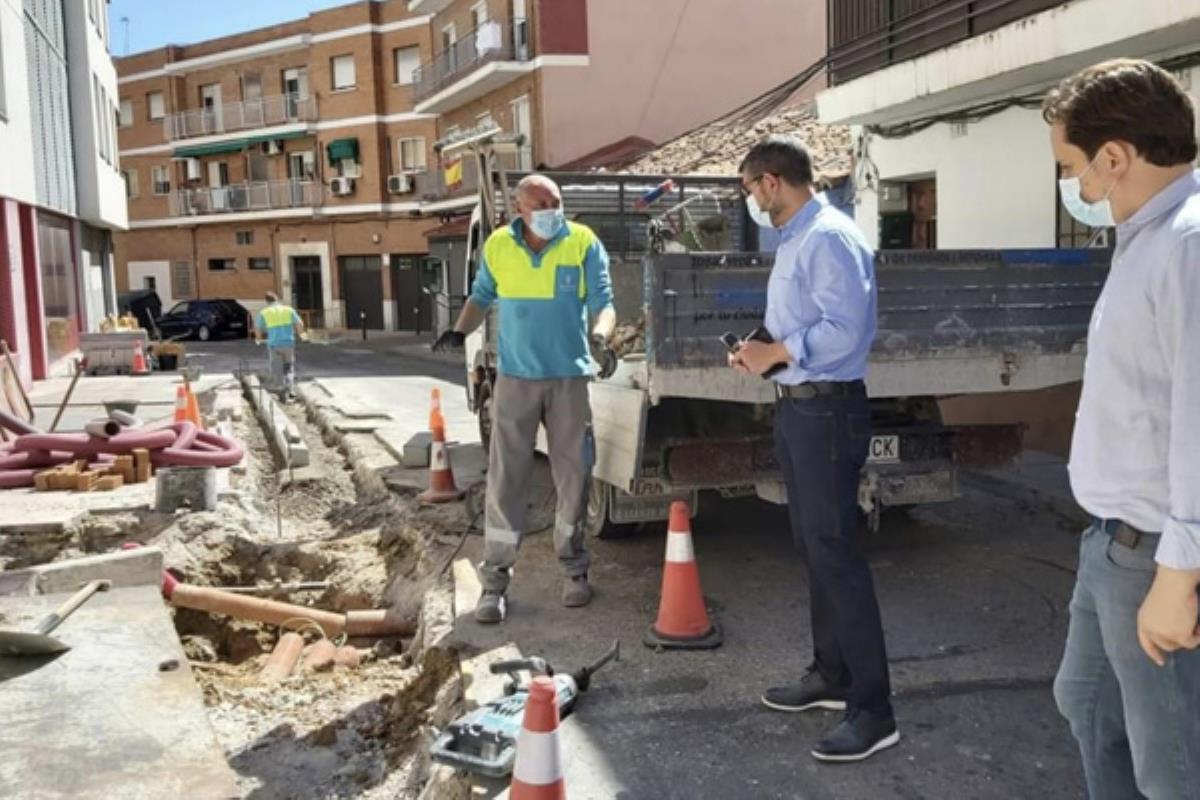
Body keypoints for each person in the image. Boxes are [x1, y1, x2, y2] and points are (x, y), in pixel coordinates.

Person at [1043, 59, 1200, 799]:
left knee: (1171, 768)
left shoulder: (1188, 245)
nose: (1076, 188)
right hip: (1112, 542)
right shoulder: (1149, 237)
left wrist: (1180, 574)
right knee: (1086, 704)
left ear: (1115, 157)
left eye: (1072, 168)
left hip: (1157, 559)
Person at [730, 135, 898, 762]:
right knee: (814, 546)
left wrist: (778, 352)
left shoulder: (827, 235)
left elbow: (845, 328)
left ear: (771, 181)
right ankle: (832, 675)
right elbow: (799, 324)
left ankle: (874, 708)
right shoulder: (798, 236)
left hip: (828, 411)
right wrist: (761, 348)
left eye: (749, 188)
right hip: (799, 408)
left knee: (837, 554)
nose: (749, 200)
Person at [433, 174, 617, 623]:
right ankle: (494, 581)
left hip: (568, 379)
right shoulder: (498, 246)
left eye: (558, 201)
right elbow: (481, 296)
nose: (555, 209)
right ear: (521, 209)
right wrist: (460, 331)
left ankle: (574, 571)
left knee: (574, 476)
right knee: (505, 480)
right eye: (545, 203)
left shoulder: (582, 241)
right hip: (515, 379)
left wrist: (601, 336)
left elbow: (604, 301)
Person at [255, 292, 305, 401]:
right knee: (289, 368)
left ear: (267, 301)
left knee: (277, 368)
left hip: (274, 345)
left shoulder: (264, 312)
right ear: (277, 299)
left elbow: (258, 328)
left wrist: (258, 339)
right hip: (288, 344)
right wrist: (302, 335)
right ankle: (290, 390)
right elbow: (300, 324)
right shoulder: (289, 310)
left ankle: (281, 390)